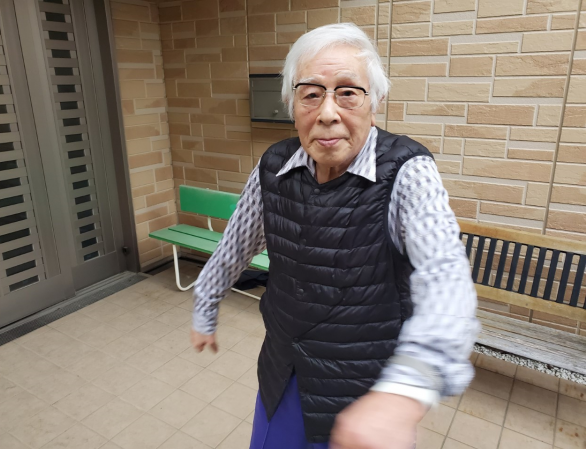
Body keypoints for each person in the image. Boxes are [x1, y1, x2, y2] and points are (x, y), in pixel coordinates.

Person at [190, 23, 479, 449]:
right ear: (292, 106)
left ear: (374, 104)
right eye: (311, 94)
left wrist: (406, 390)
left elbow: (446, 277)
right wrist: (205, 303)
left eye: (347, 92)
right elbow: (236, 244)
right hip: (282, 371)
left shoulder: (407, 171)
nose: (327, 112)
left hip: (365, 392)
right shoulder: (273, 164)